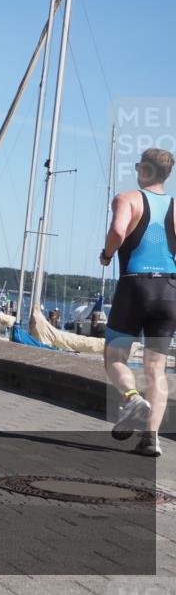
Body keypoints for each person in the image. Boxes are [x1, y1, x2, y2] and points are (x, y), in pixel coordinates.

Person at [99, 148, 176, 458]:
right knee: (157, 369)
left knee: (115, 356)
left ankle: (131, 398)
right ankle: (151, 439)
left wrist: (106, 254)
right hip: (169, 291)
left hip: (135, 287)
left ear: (144, 170)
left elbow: (119, 230)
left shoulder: (128, 199)